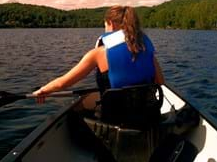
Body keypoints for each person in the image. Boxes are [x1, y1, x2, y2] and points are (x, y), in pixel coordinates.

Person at [32, 6, 164, 103]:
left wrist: (44, 89)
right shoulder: (146, 49)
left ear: (110, 24)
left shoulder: (97, 54)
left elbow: (63, 83)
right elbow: (160, 83)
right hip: (149, 116)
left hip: (117, 120)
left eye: (105, 25)